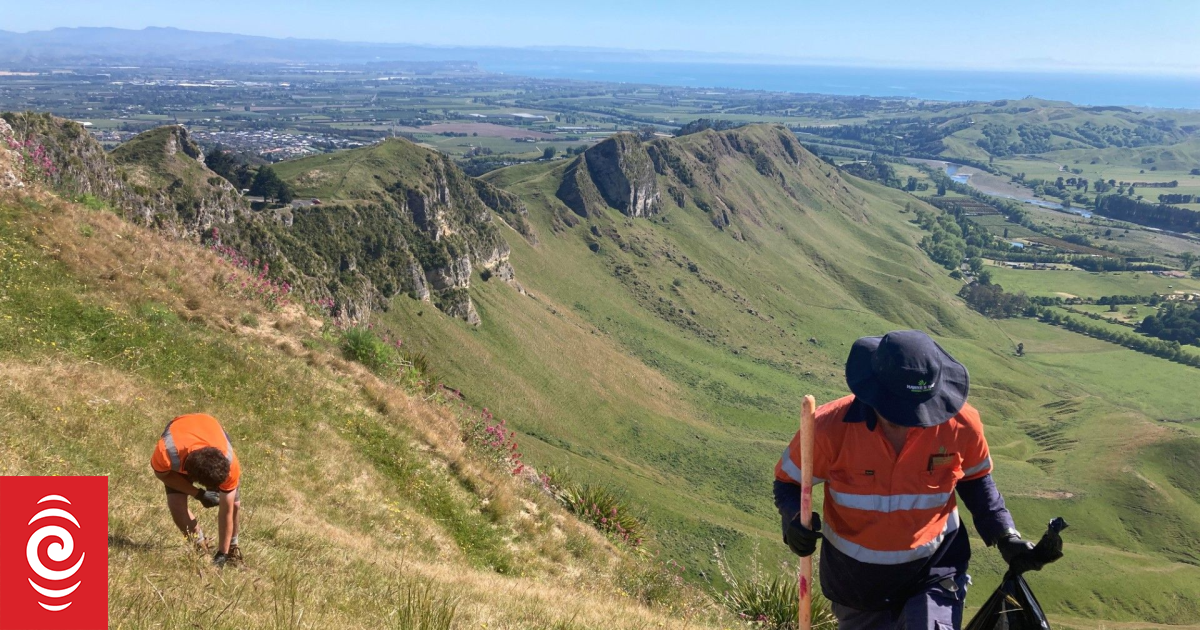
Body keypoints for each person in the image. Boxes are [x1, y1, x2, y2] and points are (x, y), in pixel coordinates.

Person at [774, 330, 1056, 629]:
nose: (912, 420)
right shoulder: (829, 428)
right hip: (855, 583)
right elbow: (787, 482)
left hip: (934, 570)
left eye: (920, 409)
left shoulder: (961, 424)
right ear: (874, 391)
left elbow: (976, 480)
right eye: (899, 412)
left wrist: (1005, 535)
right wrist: (793, 520)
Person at [151, 413, 243, 567]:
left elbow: (227, 510)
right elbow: (162, 475)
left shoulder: (229, 464)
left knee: (234, 505)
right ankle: (200, 547)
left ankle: (232, 550)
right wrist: (198, 494)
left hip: (208, 427)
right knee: (176, 504)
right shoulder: (167, 452)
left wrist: (222, 553)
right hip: (182, 435)